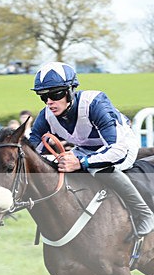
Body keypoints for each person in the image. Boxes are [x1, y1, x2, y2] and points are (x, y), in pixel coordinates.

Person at [29, 61, 154, 237]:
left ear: (70, 90)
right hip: (86, 149)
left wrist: (81, 162)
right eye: (43, 97)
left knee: (96, 166)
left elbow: (117, 149)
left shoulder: (94, 103)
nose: (49, 102)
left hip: (121, 146)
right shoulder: (46, 116)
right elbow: (31, 151)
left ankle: (144, 213)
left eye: (55, 94)